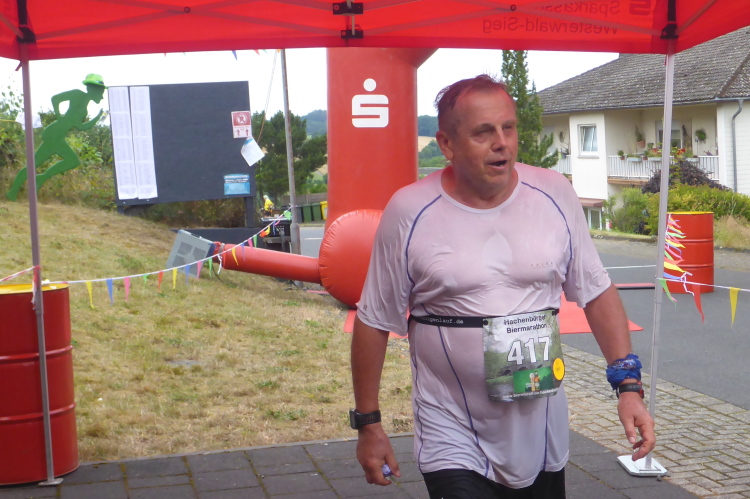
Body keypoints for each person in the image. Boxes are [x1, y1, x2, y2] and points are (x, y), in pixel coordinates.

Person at [350, 75, 655, 498]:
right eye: (483, 132)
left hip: (541, 433)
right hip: (451, 429)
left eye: (508, 128)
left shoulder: (554, 193)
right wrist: (369, 425)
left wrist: (629, 388)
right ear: (447, 144)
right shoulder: (409, 210)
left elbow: (596, 292)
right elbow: (373, 319)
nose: (502, 143)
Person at [7, 74, 107, 201]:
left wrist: (97, 117)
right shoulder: (77, 94)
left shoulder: (85, 107)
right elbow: (55, 99)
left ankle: (37, 180)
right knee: (35, 164)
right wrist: (58, 115)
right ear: (93, 89)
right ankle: (15, 191)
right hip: (54, 134)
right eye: (101, 93)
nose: (102, 96)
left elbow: (81, 127)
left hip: (58, 136)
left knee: (70, 161)